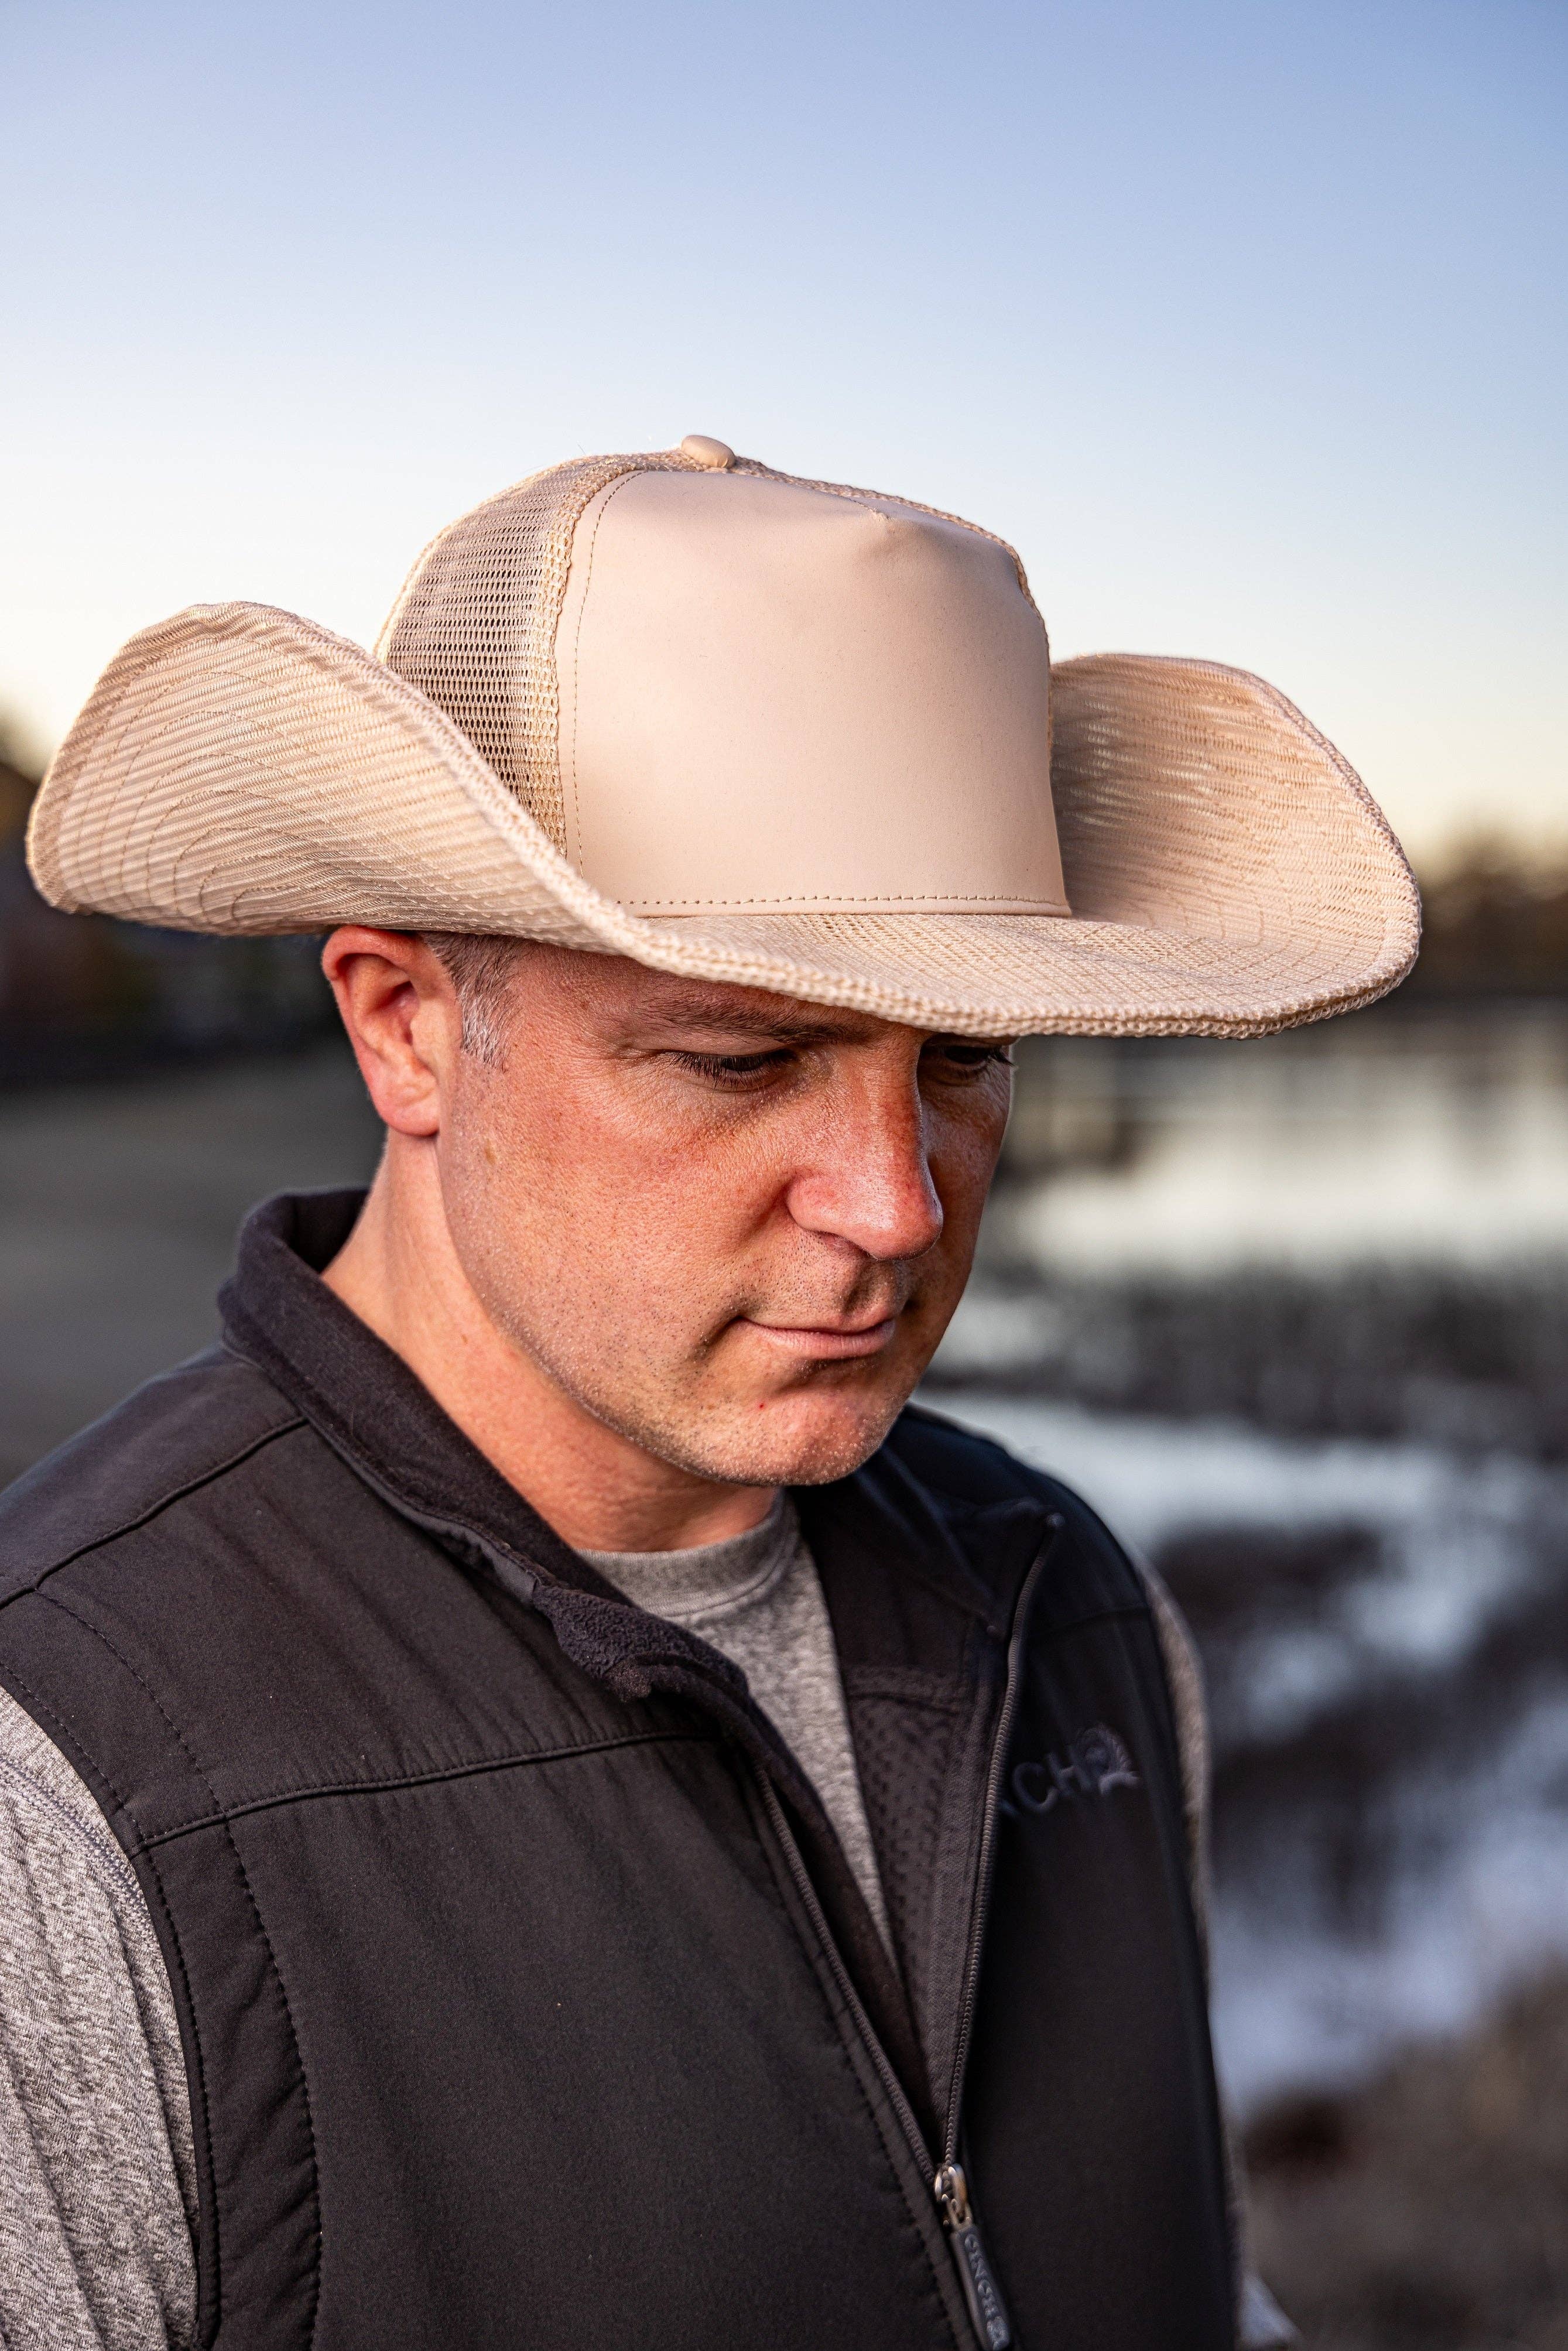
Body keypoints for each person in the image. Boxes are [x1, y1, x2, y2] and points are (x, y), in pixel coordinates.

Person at [0, 436, 1418, 2351]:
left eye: (967, 1056)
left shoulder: (1066, 1598)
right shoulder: (62, 1773)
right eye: (741, 1061)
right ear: (407, 1024)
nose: (899, 1202)